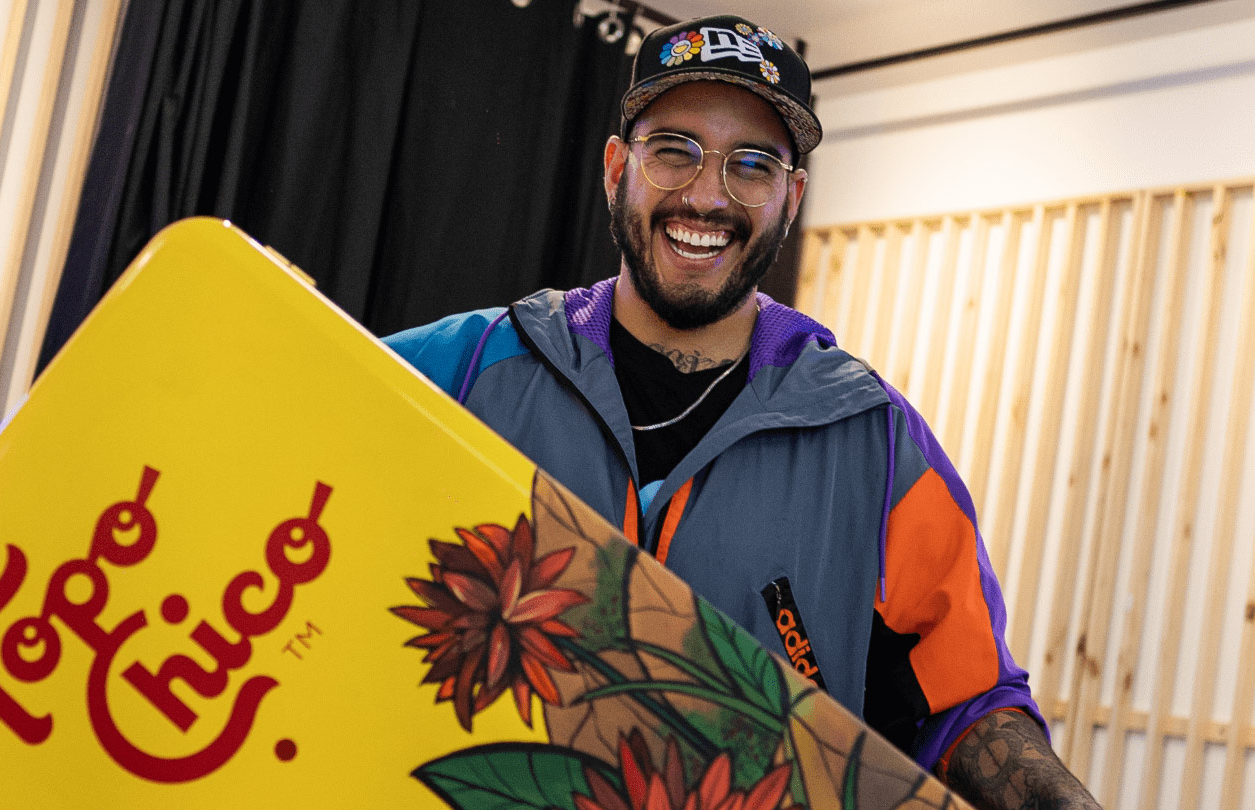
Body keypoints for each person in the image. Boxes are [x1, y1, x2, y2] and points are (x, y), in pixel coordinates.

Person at [385, 14, 1100, 810]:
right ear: (617, 166)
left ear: (791, 197)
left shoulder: (876, 442)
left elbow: (964, 703)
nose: (705, 195)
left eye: (752, 165)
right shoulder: (468, 365)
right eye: (673, 151)